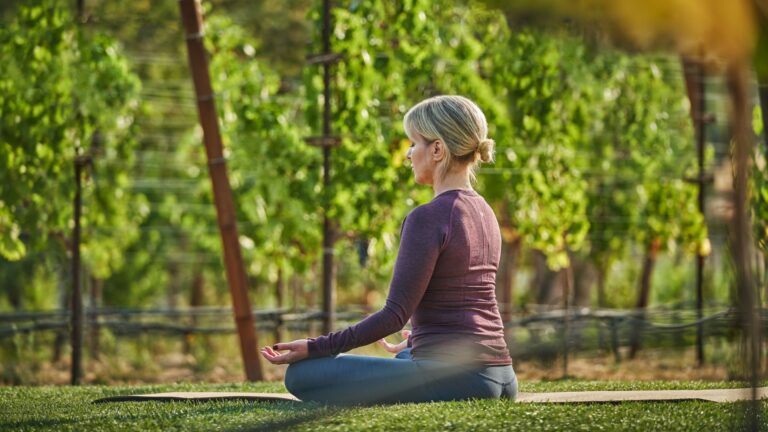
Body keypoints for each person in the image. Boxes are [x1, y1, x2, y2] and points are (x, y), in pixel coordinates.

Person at [260, 95, 516, 405]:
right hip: (501, 376)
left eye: (413, 143)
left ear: (437, 149)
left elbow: (394, 316)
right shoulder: (485, 212)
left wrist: (317, 346)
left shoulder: (428, 217)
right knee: (407, 353)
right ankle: (416, 353)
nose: (409, 154)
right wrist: (421, 339)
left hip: (459, 378)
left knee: (301, 374)